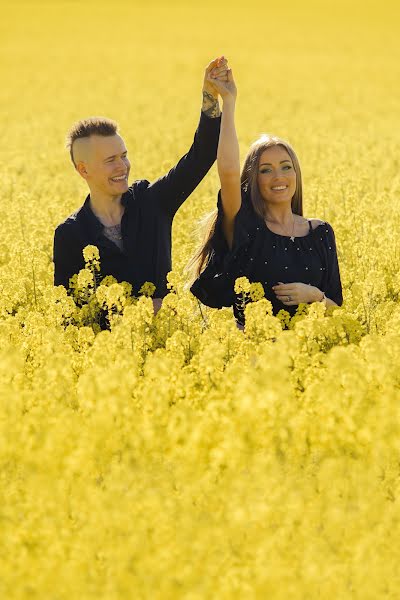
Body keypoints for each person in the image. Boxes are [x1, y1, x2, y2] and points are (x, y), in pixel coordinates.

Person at [53, 56, 229, 321]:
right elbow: (69, 315)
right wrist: (140, 312)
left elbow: (202, 155)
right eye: (110, 160)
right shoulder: (71, 235)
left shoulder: (152, 202)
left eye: (123, 155)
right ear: (83, 170)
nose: (123, 166)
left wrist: (210, 97)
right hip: (109, 357)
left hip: (168, 349)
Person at [189, 67, 343, 327]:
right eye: (265, 170)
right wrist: (228, 101)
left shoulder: (320, 233)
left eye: (286, 166)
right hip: (254, 358)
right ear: (252, 180)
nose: (278, 177)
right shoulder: (246, 228)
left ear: (296, 173)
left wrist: (314, 296)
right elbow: (227, 171)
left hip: (311, 355)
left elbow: (336, 309)